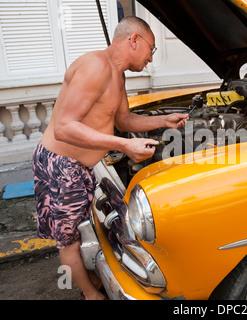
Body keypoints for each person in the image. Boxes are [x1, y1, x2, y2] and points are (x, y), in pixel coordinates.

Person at [32, 16, 189, 300]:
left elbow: (124, 119)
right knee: (67, 243)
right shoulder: (96, 67)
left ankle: (93, 279)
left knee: (85, 233)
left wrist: (165, 120)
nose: (151, 60)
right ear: (134, 40)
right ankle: (91, 294)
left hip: (79, 167)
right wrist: (124, 146)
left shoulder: (117, 73)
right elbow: (64, 127)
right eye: (151, 50)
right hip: (61, 166)